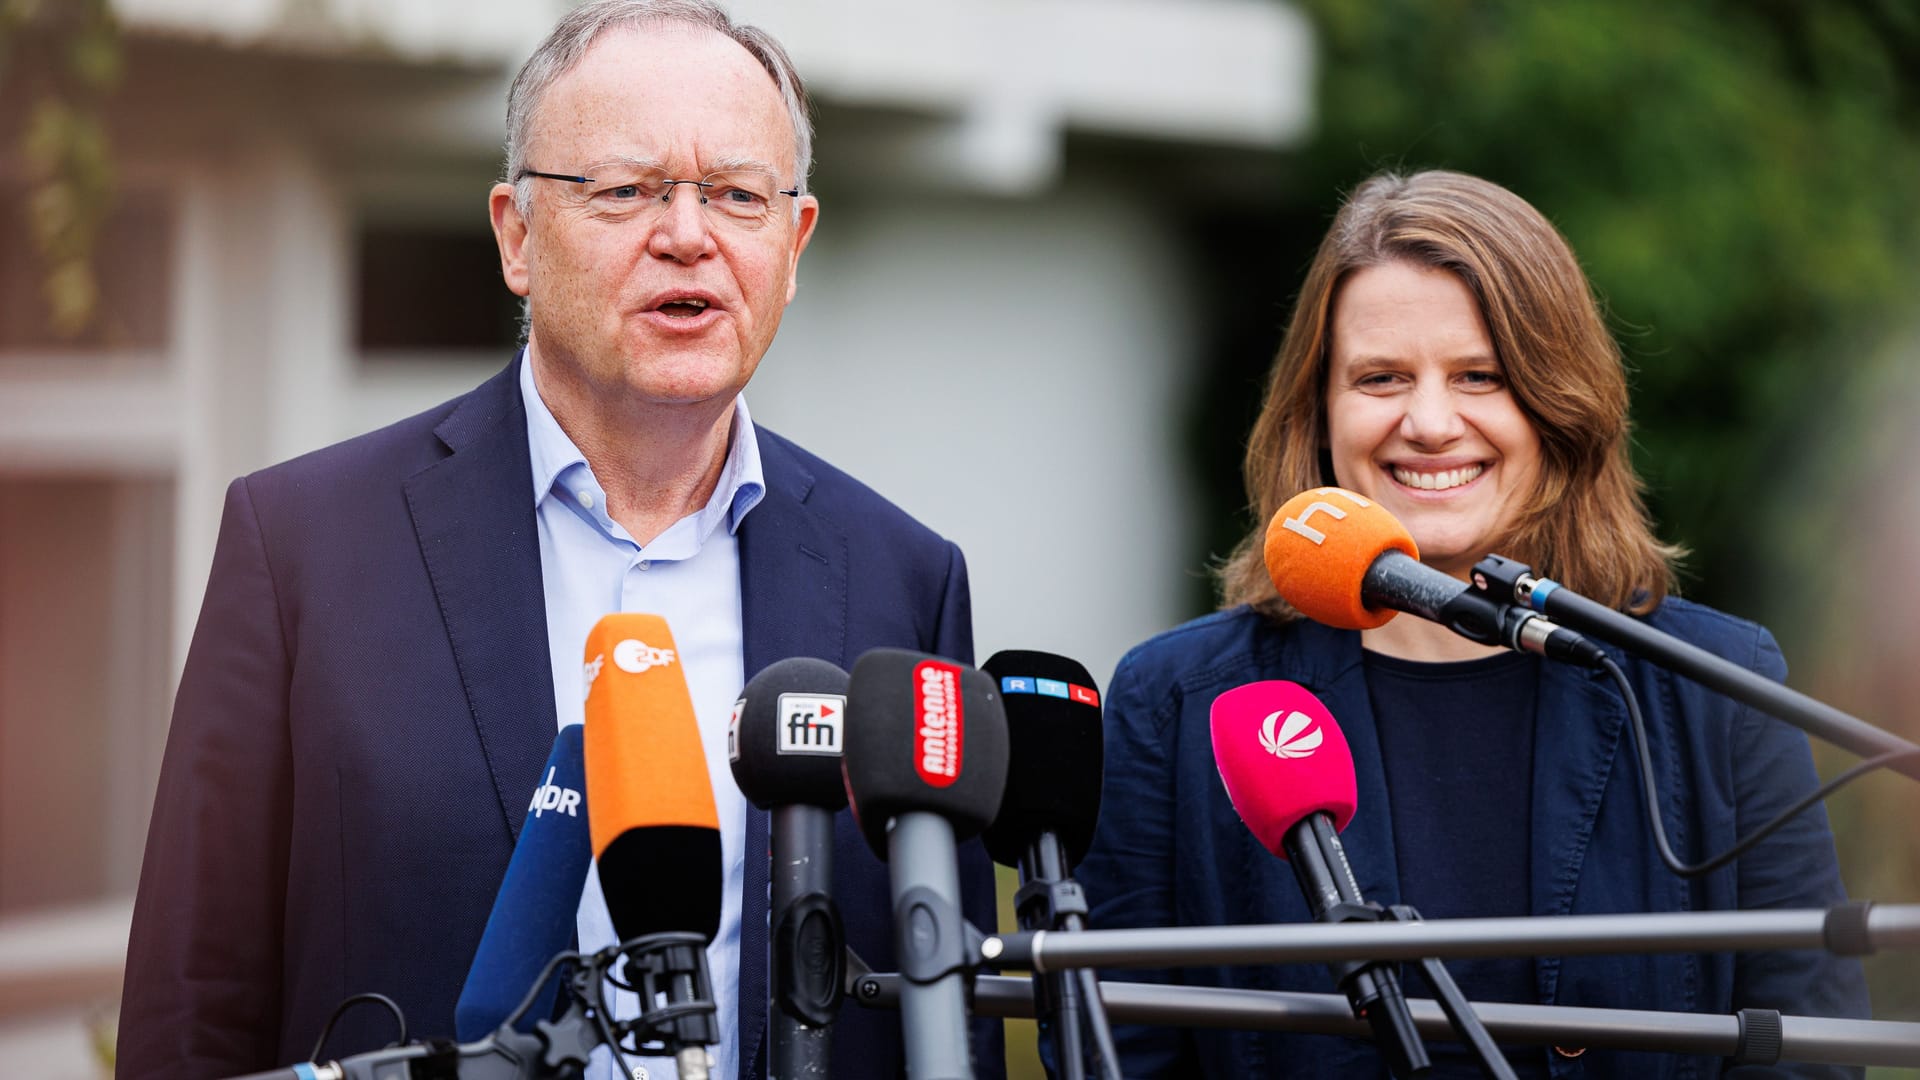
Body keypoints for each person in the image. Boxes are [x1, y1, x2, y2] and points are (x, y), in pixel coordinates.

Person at [115, 3, 1003, 1078]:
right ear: (517, 236)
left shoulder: (900, 581)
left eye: (736, 194)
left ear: (794, 241)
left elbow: (950, 1010)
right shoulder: (302, 547)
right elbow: (194, 996)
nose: (687, 234)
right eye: (627, 190)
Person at [1073, 170, 1870, 1078]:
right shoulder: (1176, 703)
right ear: (1319, 414)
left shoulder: (1716, 683)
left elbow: (1813, 1050)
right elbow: (1115, 1049)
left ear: (1556, 403)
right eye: (1380, 378)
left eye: (1479, 376)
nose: (1430, 421)